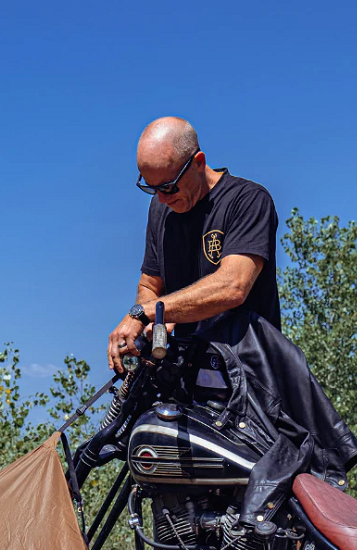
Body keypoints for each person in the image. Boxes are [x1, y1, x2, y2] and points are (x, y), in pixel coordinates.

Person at [107, 117, 281, 374]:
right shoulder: (160, 209)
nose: (163, 199)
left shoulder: (248, 201)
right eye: (152, 188)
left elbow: (233, 287)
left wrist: (148, 312)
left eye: (168, 187)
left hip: (246, 376)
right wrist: (156, 324)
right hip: (184, 373)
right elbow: (149, 285)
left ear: (198, 163)